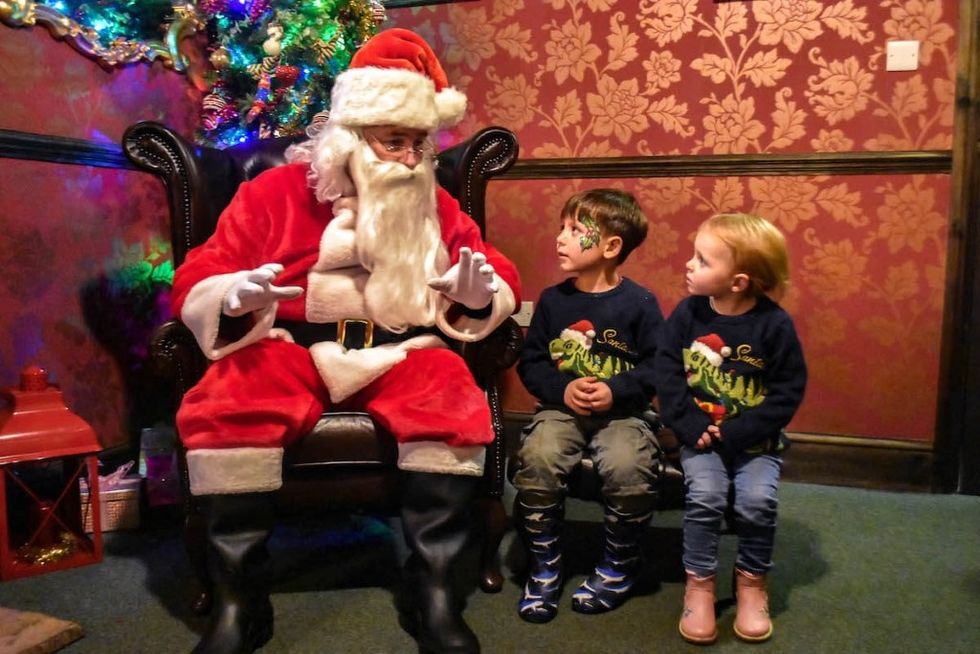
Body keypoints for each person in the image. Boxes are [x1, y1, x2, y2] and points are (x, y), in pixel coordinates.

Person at [170, 28, 520, 654]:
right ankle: (239, 601)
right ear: (351, 139)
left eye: (419, 143)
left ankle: (431, 591)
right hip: (287, 342)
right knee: (226, 404)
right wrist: (230, 296)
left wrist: (478, 296)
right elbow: (202, 267)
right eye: (395, 142)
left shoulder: (434, 204)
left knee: (452, 403)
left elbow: (492, 268)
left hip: (401, 346)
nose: (411, 159)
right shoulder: (271, 194)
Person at [510, 188, 664, 623]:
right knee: (538, 458)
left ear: (611, 246)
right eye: (561, 227)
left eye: (575, 230)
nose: (560, 238)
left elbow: (659, 366)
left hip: (625, 414)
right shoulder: (554, 301)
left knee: (627, 466)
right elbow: (533, 363)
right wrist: (563, 391)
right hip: (561, 411)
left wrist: (617, 390)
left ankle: (618, 566)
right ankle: (545, 566)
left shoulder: (640, 304)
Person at [654, 213, 807, 644]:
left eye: (702, 260)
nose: (689, 265)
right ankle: (699, 584)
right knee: (705, 497)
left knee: (758, 503)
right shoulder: (688, 314)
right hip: (699, 438)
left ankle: (752, 583)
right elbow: (666, 371)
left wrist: (740, 430)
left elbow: (787, 390)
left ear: (738, 281)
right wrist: (687, 422)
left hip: (755, 442)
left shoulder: (774, 326)